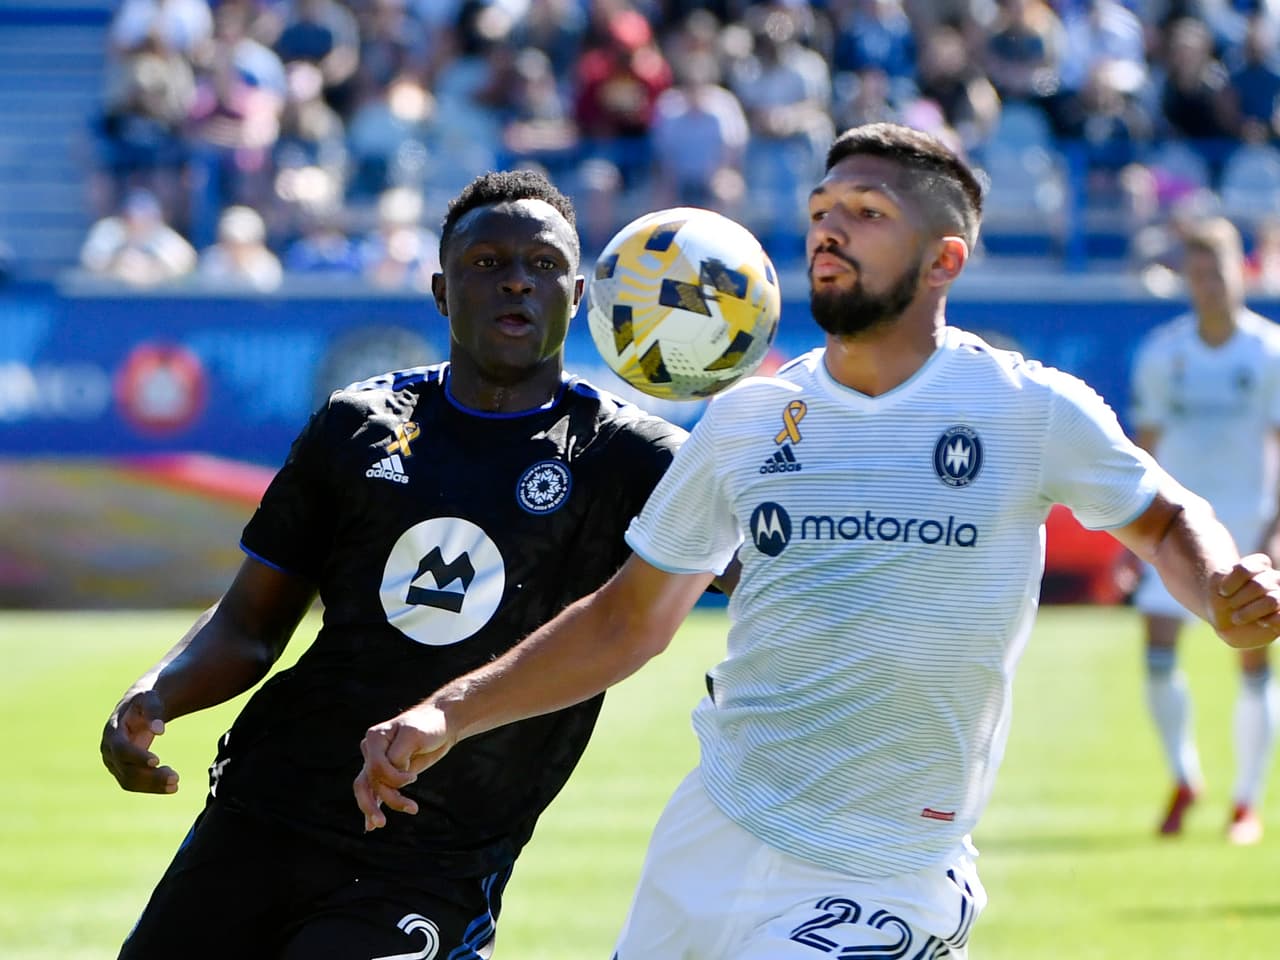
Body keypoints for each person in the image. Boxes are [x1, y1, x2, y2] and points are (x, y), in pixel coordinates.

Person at [354, 123, 1280, 958]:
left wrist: (1222, 589)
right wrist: (449, 712)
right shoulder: (751, 419)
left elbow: (1162, 518)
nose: (828, 230)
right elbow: (629, 617)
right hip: (714, 835)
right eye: (820, 210)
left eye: (867, 213)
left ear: (943, 260)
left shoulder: (1029, 410)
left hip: (888, 868)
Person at [99, 169, 687, 958]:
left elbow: (764, 580)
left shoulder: (633, 458)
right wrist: (156, 693)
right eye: (488, 263)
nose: (517, 280)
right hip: (265, 815)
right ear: (442, 292)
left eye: (543, 265)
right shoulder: (357, 426)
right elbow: (249, 624)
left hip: (431, 859)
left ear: (578, 293)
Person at [1128, 215, 1280, 845]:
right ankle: (1184, 776)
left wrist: (1275, 533)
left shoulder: (1268, 352)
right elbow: (1145, 450)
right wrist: (1134, 536)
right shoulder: (1165, 354)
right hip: (1180, 530)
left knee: (1253, 654)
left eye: (1216, 272)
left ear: (1236, 272)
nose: (1207, 286)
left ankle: (1246, 802)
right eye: (1195, 275)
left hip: (1249, 519)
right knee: (1159, 650)